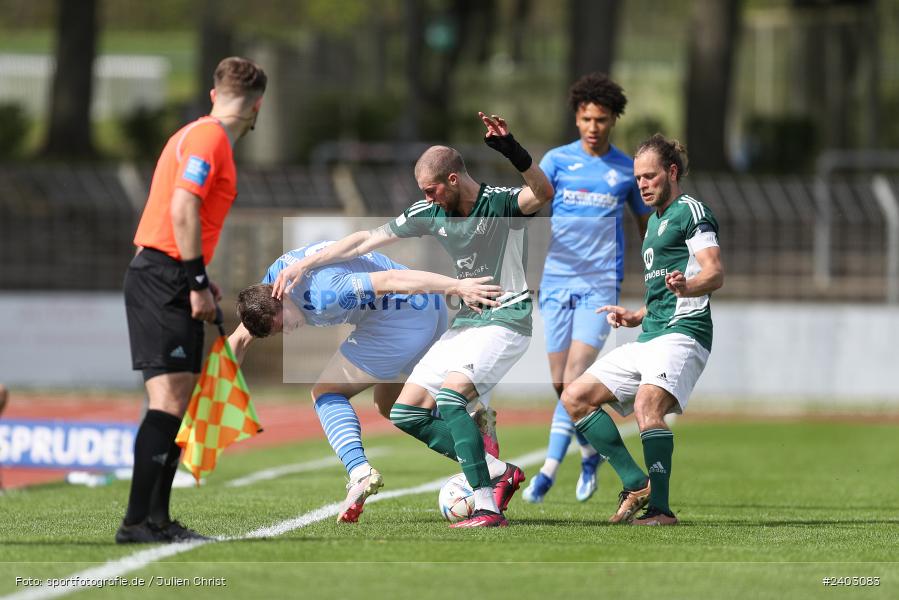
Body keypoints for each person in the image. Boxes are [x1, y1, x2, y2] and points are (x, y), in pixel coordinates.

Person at [272, 113, 555, 527]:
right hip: (467, 325)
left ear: (453, 179)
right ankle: (497, 471)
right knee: (405, 411)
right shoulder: (429, 212)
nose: (427, 198)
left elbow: (543, 192)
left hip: (505, 319)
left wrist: (513, 149)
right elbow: (365, 239)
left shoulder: (499, 204)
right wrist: (309, 262)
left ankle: (486, 505)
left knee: (450, 398)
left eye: (431, 189)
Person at [229, 242, 509, 523]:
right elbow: (239, 340)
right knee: (392, 406)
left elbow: (392, 280)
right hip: (425, 310)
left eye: (281, 325)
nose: (287, 332)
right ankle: (475, 434)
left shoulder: (326, 292)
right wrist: (209, 396)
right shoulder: (272, 286)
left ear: (279, 298)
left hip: (402, 316)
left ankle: (360, 472)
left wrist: (457, 287)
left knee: (326, 393)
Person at [119, 57, 267, 544]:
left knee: (175, 400)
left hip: (166, 272)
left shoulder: (196, 134)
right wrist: (196, 280)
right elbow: (183, 206)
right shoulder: (209, 139)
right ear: (257, 106)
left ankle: (156, 521)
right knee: (168, 400)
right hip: (165, 275)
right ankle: (140, 522)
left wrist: (196, 276)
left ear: (213, 93)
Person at [561, 134, 724, 525]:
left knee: (646, 407)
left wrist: (690, 285)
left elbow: (714, 273)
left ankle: (661, 510)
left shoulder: (691, 211)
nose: (643, 185)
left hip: (685, 331)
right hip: (652, 332)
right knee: (575, 396)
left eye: (650, 176)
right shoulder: (653, 223)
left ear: (671, 172)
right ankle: (636, 482)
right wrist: (635, 315)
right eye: (637, 179)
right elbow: (661, 289)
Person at [524, 72, 652, 504]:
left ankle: (547, 472)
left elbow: (645, 226)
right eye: (585, 118)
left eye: (601, 119)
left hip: (600, 287)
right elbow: (527, 204)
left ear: (613, 119)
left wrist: (657, 270)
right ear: (576, 119)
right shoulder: (556, 162)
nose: (593, 127)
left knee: (577, 376)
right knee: (561, 385)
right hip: (557, 281)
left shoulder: (625, 169)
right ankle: (589, 450)